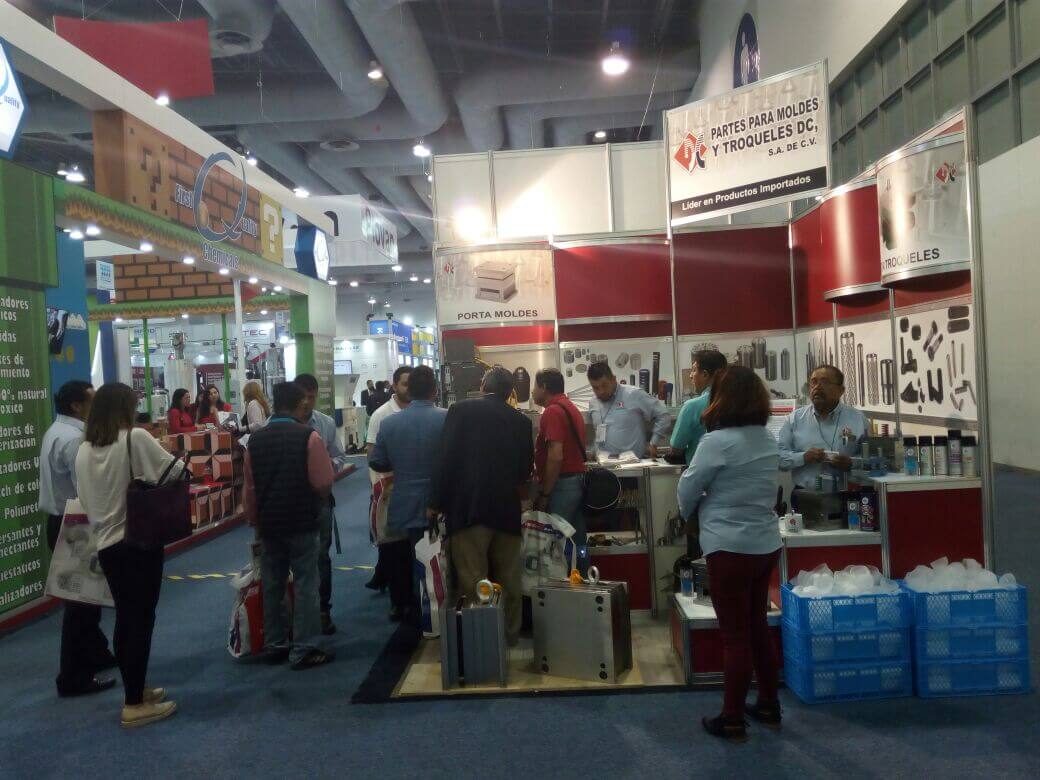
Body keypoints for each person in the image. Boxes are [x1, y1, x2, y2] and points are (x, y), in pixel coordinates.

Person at [676, 366, 782, 743]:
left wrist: (689, 514)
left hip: (728, 546)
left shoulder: (716, 442)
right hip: (765, 544)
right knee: (757, 627)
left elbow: (688, 489)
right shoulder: (767, 437)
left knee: (734, 636)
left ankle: (732, 717)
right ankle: (768, 703)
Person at [75, 382, 185, 728]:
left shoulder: (83, 450)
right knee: (140, 621)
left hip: (107, 544)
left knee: (126, 619)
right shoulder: (134, 438)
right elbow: (177, 471)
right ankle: (134, 703)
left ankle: (135, 689)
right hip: (138, 541)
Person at [429, 367, 534, 644]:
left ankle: (483, 643)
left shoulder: (460, 411)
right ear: (510, 391)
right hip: (506, 510)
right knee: (510, 579)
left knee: (474, 579)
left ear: (483, 385)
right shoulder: (521, 421)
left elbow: (445, 460)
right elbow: (524, 470)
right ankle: (509, 637)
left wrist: (435, 502)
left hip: (468, 509)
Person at [243, 382, 335, 670]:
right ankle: (304, 648)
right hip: (301, 519)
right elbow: (323, 483)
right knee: (307, 583)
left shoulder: (255, 441)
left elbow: (249, 489)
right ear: (299, 404)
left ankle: (275, 642)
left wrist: (255, 520)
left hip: (269, 523)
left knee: (273, 583)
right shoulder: (309, 437)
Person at [39, 380, 117, 698]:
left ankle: (96, 654)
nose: (96, 406)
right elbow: (85, 488)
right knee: (79, 607)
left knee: (86, 600)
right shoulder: (74, 440)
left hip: (63, 521)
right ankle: (72, 677)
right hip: (75, 523)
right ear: (76, 405)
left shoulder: (56, 431)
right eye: (92, 400)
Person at [369, 366, 447, 624]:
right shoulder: (448, 419)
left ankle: (414, 615)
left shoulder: (389, 423)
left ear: (410, 390)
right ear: (435, 391)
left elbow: (377, 461)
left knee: (409, 559)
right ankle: (438, 615)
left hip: (404, 502)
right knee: (440, 561)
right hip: (441, 503)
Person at [295, 373, 349, 635]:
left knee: (321, 557)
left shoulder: (325, 424)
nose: (307, 402)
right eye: (302, 397)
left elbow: (339, 457)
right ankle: (295, 614)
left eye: (311, 397)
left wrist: (324, 470)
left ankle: (323, 611)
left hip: (320, 501)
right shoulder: (279, 423)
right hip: (291, 502)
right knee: (291, 558)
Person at [531, 368, 589, 573]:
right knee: (577, 542)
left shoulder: (553, 411)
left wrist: (545, 493)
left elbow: (556, 456)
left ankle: (563, 586)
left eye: (535, 386)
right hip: (575, 483)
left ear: (544, 387)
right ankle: (583, 579)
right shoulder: (569, 407)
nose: (532, 392)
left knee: (557, 544)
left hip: (562, 486)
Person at [778, 365, 869, 491]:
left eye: (824, 382)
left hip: (847, 495)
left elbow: (871, 457)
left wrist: (851, 463)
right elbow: (779, 458)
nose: (817, 387)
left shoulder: (858, 419)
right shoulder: (795, 419)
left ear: (841, 390)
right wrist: (804, 457)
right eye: (813, 382)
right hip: (805, 495)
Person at [364, 366, 412, 593]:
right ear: (394, 385)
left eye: (412, 384)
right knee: (390, 543)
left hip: (414, 490)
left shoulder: (420, 410)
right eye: (404, 384)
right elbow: (371, 454)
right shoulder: (381, 415)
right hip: (388, 490)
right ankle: (394, 592)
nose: (409, 388)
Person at [586, 361, 672, 458]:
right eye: (595, 388)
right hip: (604, 464)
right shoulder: (593, 403)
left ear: (613, 379)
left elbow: (663, 415)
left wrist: (654, 442)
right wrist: (593, 451)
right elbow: (599, 434)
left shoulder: (633, 394)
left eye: (604, 385)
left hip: (632, 464)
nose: (601, 391)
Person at [671, 350, 728, 464]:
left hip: (700, 470)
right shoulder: (736, 402)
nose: (691, 375)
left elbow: (676, 449)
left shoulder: (692, 406)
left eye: (694, 370)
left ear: (705, 374)